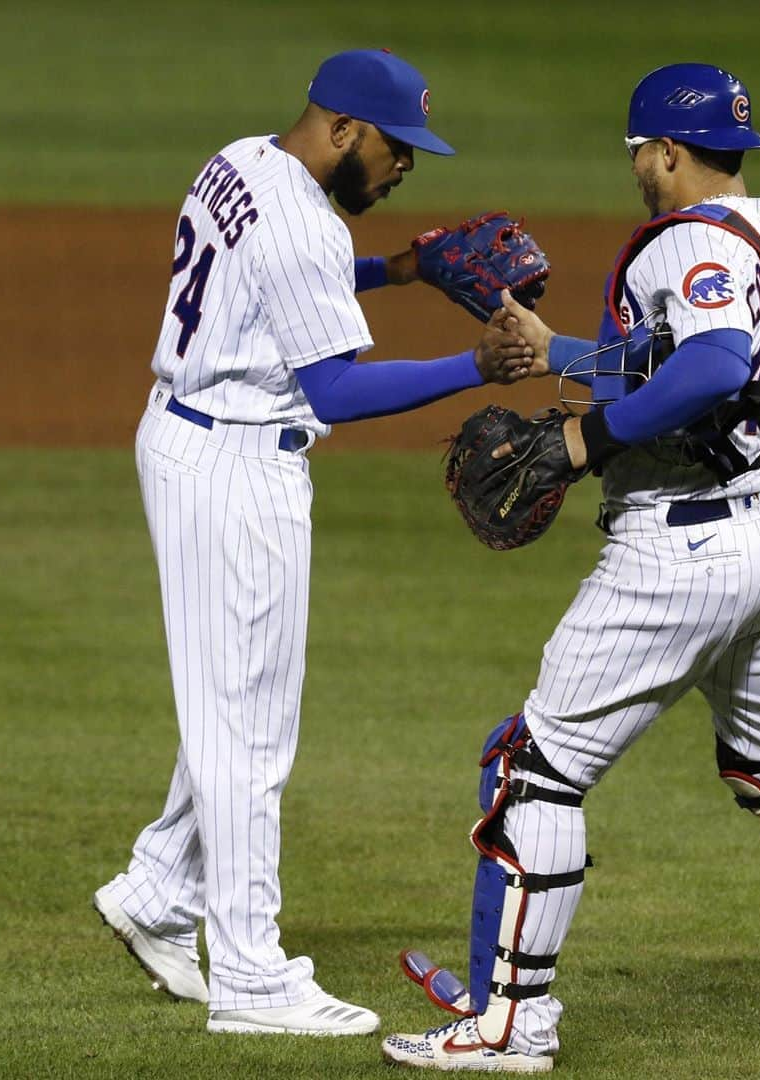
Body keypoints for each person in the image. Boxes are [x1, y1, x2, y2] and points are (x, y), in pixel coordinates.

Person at [382, 63, 760, 1072]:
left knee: (530, 768)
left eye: (639, 150)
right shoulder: (759, 231)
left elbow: (709, 366)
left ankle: (512, 1026)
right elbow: (701, 363)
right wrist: (560, 352)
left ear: (666, 150)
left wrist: (586, 447)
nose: (636, 167)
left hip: (677, 556)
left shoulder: (682, 244)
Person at [93, 48, 536, 1038]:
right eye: (395, 151)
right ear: (343, 131)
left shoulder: (245, 161)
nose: (403, 170)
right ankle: (251, 976)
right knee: (248, 731)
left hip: (188, 438)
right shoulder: (302, 218)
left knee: (232, 695)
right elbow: (333, 387)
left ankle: (158, 888)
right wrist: (479, 362)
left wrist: (402, 268)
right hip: (236, 470)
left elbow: (286, 278)